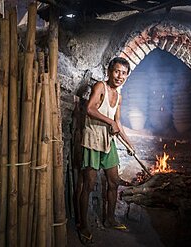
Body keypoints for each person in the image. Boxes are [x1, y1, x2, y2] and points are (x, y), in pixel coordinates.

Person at [78, 57, 135, 244]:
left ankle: (110, 218)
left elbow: (118, 122)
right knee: (88, 184)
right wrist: (110, 122)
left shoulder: (119, 96)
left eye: (124, 73)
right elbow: (90, 109)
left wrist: (129, 144)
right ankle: (83, 225)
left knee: (114, 181)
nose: (120, 76)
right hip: (93, 141)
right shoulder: (100, 87)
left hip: (107, 143)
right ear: (109, 71)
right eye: (117, 71)